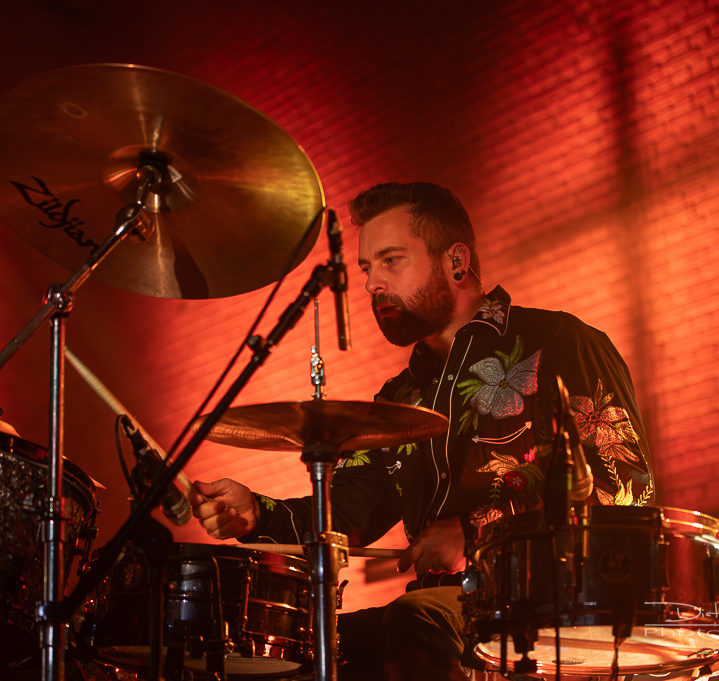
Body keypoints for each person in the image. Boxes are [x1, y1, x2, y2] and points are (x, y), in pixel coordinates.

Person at [190, 182, 654, 680]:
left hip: (556, 609)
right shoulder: (401, 398)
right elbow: (345, 514)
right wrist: (255, 514)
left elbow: (625, 490)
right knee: (303, 654)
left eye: (391, 260)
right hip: (446, 614)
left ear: (456, 261)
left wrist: (474, 534)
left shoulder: (560, 341)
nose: (372, 284)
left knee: (415, 621)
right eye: (367, 268)